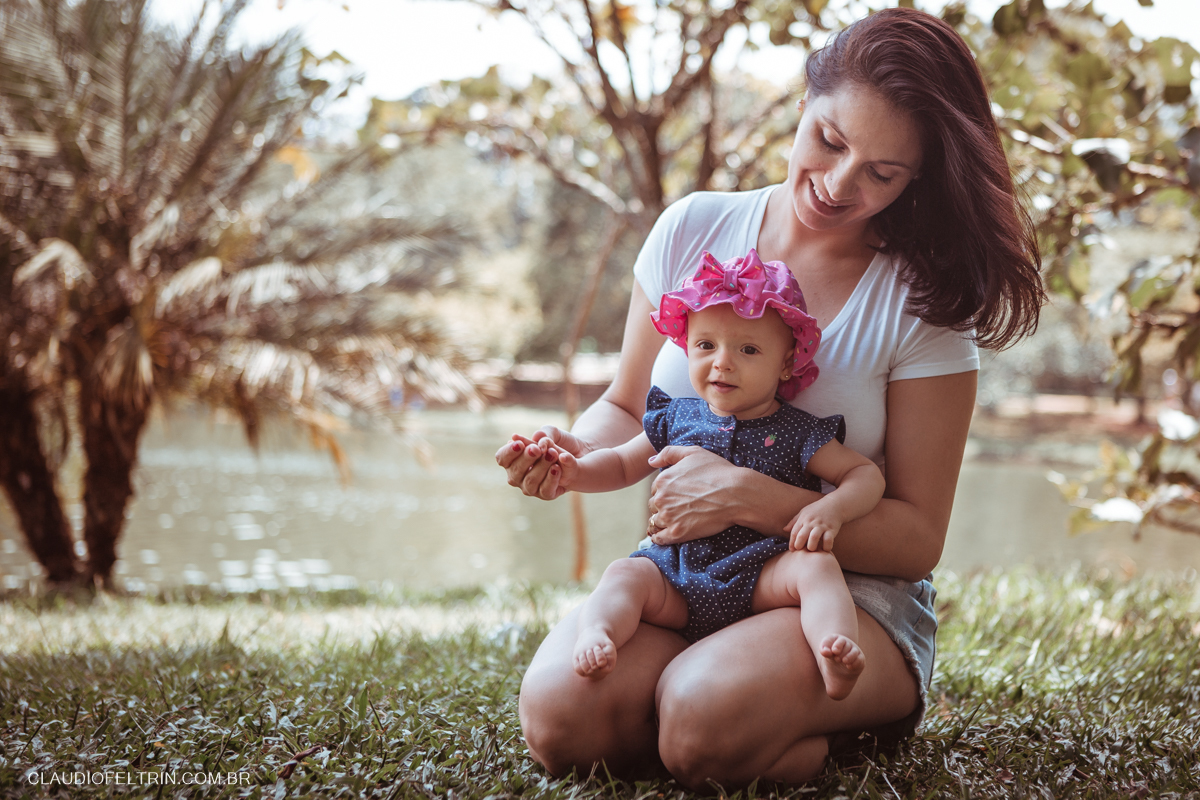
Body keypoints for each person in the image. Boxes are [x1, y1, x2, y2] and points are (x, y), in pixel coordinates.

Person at [496, 7, 1043, 788]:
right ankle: (719, 706)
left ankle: (810, 717)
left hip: (842, 595)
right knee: (561, 720)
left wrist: (753, 498)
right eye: (830, 140)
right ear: (802, 106)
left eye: (883, 173)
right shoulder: (692, 228)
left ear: (917, 178)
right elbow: (625, 409)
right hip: (693, 573)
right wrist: (572, 453)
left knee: (702, 721)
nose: (839, 183)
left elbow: (917, 538)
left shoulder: (923, 306)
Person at [533, 248, 884, 701]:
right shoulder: (676, 417)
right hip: (675, 574)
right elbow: (621, 463)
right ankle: (598, 634)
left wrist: (831, 509)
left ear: (785, 362)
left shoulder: (798, 432)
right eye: (705, 346)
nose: (722, 362)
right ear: (687, 348)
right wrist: (574, 471)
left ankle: (832, 651)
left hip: (762, 574)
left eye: (748, 349)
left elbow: (863, 475)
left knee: (816, 567)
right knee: (623, 573)